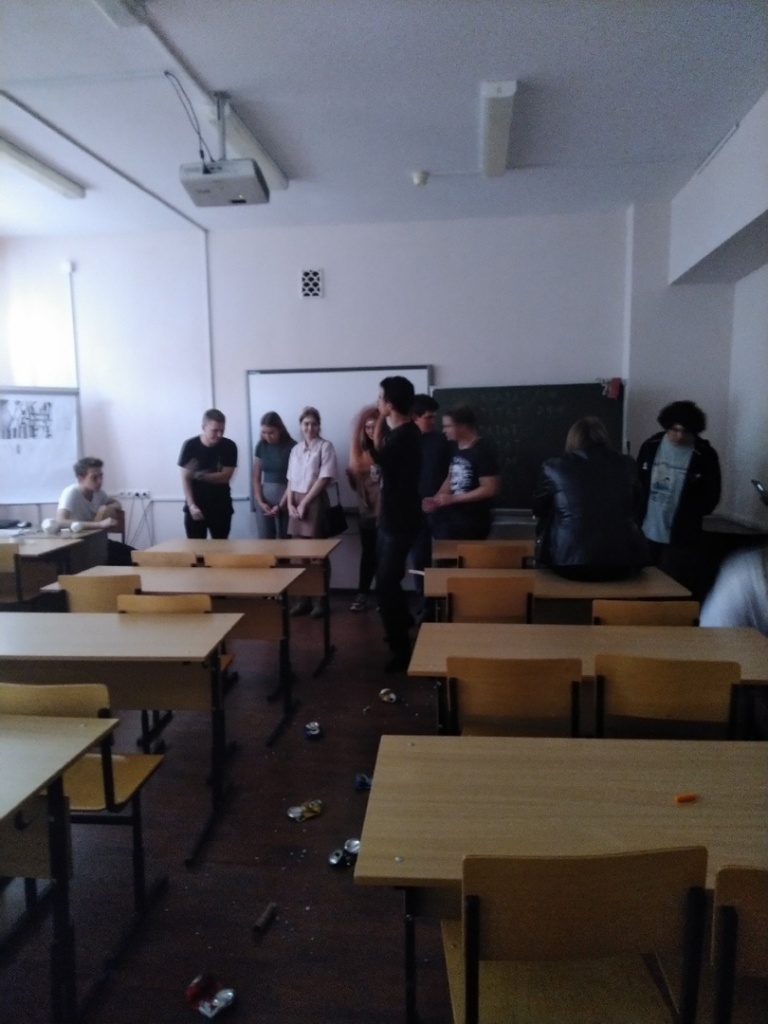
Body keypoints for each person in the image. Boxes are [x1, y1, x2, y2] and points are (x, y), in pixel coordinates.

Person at [532, 417, 648, 581]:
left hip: (567, 562)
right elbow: (636, 505)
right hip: (624, 562)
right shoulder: (627, 464)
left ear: (572, 438)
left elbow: (539, 508)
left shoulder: (553, 467)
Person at [637, 400, 721, 597]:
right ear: (667, 427)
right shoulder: (650, 447)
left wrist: (690, 514)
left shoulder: (704, 455)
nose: (680, 435)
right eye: (675, 430)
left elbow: (712, 494)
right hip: (646, 532)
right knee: (641, 587)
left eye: (686, 431)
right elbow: (637, 482)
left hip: (681, 538)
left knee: (669, 591)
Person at [367, 375, 422, 673]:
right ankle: (401, 627)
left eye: (380, 398)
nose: (377, 402)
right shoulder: (403, 433)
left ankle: (401, 651)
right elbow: (380, 454)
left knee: (386, 585)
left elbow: (371, 459)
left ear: (389, 403)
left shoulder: (403, 438)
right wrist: (380, 418)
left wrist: (366, 422)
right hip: (393, 519)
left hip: (398, 522)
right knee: (388, 580)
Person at [284, 406, 338, 617]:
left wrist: (304, 503)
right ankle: (303, 600)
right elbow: (290, 479)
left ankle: (321, 602)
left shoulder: (325, 447)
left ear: (319, 426)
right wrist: (290, 504)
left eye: (314, 424)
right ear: (300, 425)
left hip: (314, 501)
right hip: (296, 502)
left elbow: (324, 478)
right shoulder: (295, 449)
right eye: (306, 423)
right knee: (300, 556)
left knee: (318, 555)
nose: (310, 427)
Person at [422, 403, 500, 539]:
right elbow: (451, 477)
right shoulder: (456, 447)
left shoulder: (482, 451)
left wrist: (454, 499)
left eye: (448, 426)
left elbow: (490, 488)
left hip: (473, 522)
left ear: (461, 426)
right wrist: (436, 499)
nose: (444, 431)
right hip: (453, 519)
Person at [409, 394, 452, 620]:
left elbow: (453, 472)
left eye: (434, 417)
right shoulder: (405, 441)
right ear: (414, 417)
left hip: (441, 510)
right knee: (419, 560)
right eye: (428, 417)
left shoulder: (441, 441)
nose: (433, 421)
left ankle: (445, 604)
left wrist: (438, 498)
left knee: (445, 558)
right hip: (414, 513)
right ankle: (424, 605)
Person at [57, 456, 133, 565]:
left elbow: (117, 504)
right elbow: (60, 521)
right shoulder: (71, 493)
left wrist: (107, 508)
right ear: (80, 479)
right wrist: (99, 524)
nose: (100, 481)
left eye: (101, 476)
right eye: (94, 478)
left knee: (136, 555)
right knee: (127, 561)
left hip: (95, 542)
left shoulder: (99, 493)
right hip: (77, 545)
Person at [178, 409, 238, 539]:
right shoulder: (190, 446)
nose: (219, 434)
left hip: (221, 508)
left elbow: (225, 477)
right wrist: (191, 505)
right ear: (204, 427)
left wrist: (197, 475)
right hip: (196, 506)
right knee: (196, 549)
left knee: (221, 549)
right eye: (215, 430)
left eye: (222, 430)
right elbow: (185, 479)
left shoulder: (229, 446)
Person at [347, 405, 382, 612]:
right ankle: (363, 594)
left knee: (383, 556)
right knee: (368, 554)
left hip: (384, 512)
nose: (370, 431)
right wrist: (352, 477)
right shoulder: (360, 452)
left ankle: (382, 596)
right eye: (367, 427)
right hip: (366, 512)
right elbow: (356, 487)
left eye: (374, 426)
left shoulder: (385, 449)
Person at [252, 411, 295, 539]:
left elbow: (294, 479)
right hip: (264, 499)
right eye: (264, 433)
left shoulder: (292, 446)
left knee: (284, 540)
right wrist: (260, 501)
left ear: (280, 430)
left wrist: (281, 505)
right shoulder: (261, 445)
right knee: (265, 539)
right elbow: (256, 477)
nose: (267, 437)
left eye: (271, 433)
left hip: (286, 498)